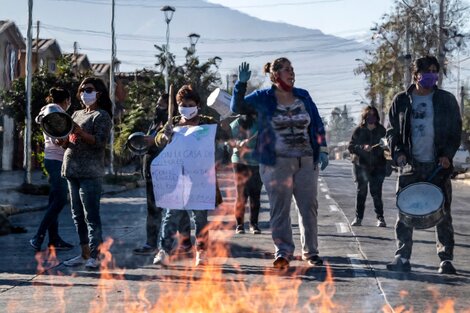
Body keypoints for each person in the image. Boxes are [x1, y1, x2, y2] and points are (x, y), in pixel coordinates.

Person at [231, 58, 329, 269]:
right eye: (286, 70)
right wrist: (240, 85)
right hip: (276, 163)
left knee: (308, 207)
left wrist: (322, 149)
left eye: (292, 69)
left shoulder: (303, 95)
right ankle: (283, 252)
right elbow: (237, 107)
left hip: (305, 160)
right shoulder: (263, 97)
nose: (291, 73)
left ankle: (311, 252)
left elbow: (317, 124)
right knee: (280, 208)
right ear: (275, 75)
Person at [386, 56, 462, 274]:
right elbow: (392, 132)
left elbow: (455, 131)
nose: (432, 75)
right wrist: (398, 153)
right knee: (405, 212)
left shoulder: (445, 100)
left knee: (443, 213)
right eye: (427, 71)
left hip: (438, 165)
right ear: (415, 74)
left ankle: (445, 258)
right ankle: (402, 256)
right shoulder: (401, 100)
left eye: (434, 71)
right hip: (410, 165)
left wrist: (447, 155)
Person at [152, 85, 229, 267]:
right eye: (182, 104)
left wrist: (224, 126)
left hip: (200, 180)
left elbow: (224, 135)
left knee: (200, 217)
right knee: (171, 215)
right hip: (176, 180)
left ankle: (201, 252)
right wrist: (165, 136)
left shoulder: (208, 123)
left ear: (197, 105)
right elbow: (158, 141)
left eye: (189, 104)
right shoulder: (173, 122)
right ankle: (164, 250)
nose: (185, 107)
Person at [60, 77, 113, 270]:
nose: (84, 93)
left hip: (90, 172)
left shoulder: (102, 116)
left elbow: (100, 141)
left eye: (89, 90)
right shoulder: (76, 113)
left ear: (99, 93)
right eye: (82, 90)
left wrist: (81, 133)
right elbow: (70, 139)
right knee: (77, 215)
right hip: (71, 168)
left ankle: (96, 255)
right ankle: (84, 254)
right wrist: (63, 141)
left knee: (91, 215)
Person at [133, 93, 192, 255]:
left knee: (176, 208)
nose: (158, 108)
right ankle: (151, 243)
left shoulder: (175, 126)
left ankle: (185, 241)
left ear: (172, 108)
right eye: (157, 105)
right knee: (153, 209)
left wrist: (159, 139)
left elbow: (170, 144)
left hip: (169, 172)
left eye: (162, 106)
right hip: (152, 171)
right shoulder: (155, 122)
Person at [29, 87, 74, 251]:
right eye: (69, 101)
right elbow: (58, 136)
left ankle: (54, 239)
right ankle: (38, 236)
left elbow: (40, 119)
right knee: (61, 199)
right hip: (56, 160)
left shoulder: (49, 109)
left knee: (53, 200)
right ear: (66, 100)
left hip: (55, 160)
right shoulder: (54, 109)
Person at [348, 106, 387, 228]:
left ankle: (380, 218)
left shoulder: (381, 130)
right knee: (361, 192)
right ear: (364, 118)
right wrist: (362, 147)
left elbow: (387, 143)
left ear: (377, 117)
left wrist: (384, 147)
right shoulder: (358, 130)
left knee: (376, 193)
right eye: (369, 116)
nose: (371, 118)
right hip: (361, 166)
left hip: (378, 166)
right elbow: (351, 146)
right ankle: (358, 218)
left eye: (374, 115)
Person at [226, 113, 263, 234]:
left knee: (255, 194)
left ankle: (254, 224)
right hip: (239, 161)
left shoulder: (261, 123)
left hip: (257, 162)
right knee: (241, 193)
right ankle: (240, 225)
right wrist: (238, 143)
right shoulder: (237, 123)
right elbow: (228, 141)